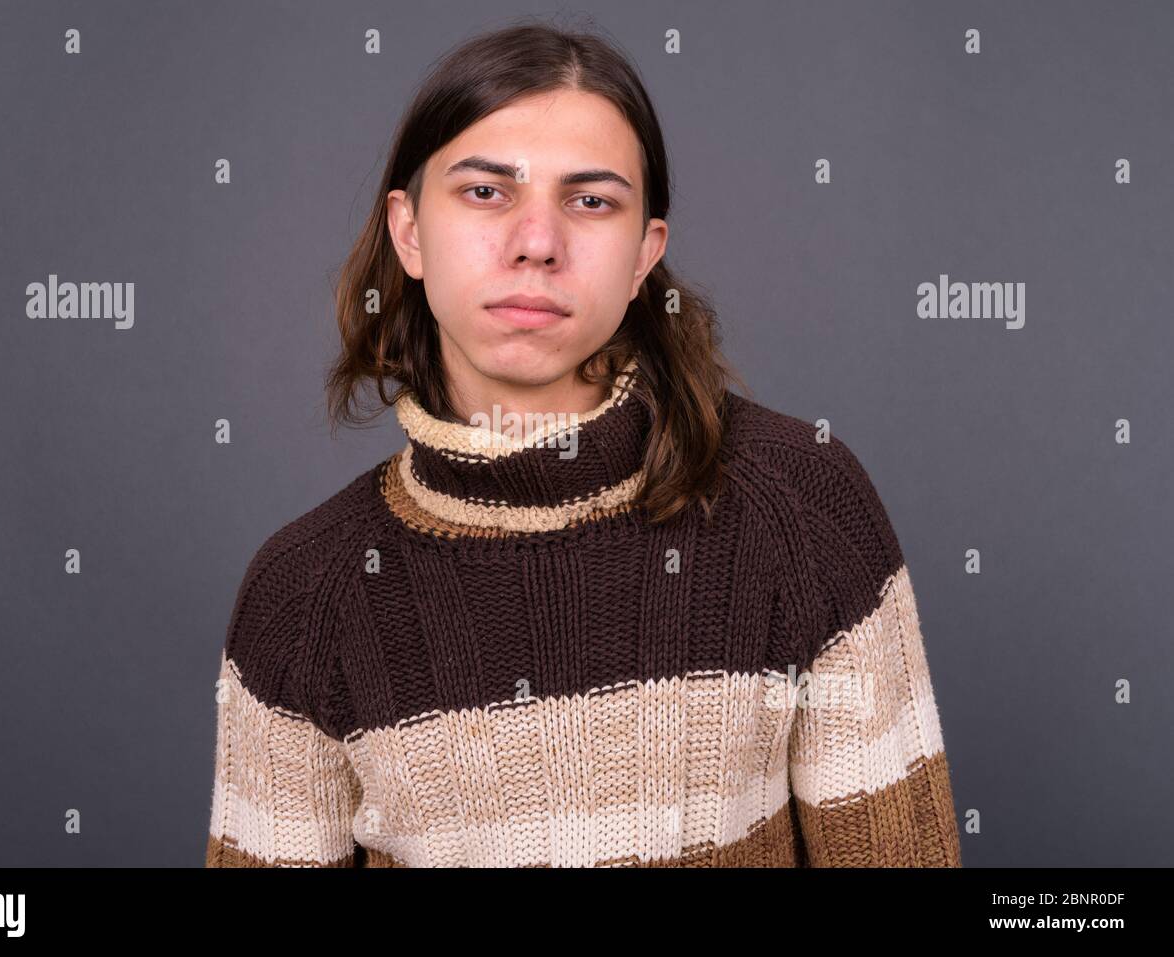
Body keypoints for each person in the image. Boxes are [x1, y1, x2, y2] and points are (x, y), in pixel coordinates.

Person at [204, 20, 962, 868]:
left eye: (590, 199)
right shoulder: (303, 596)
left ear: (646, 254)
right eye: (486, 192)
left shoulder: (802, 507)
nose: (537, 242)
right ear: (408, 233)